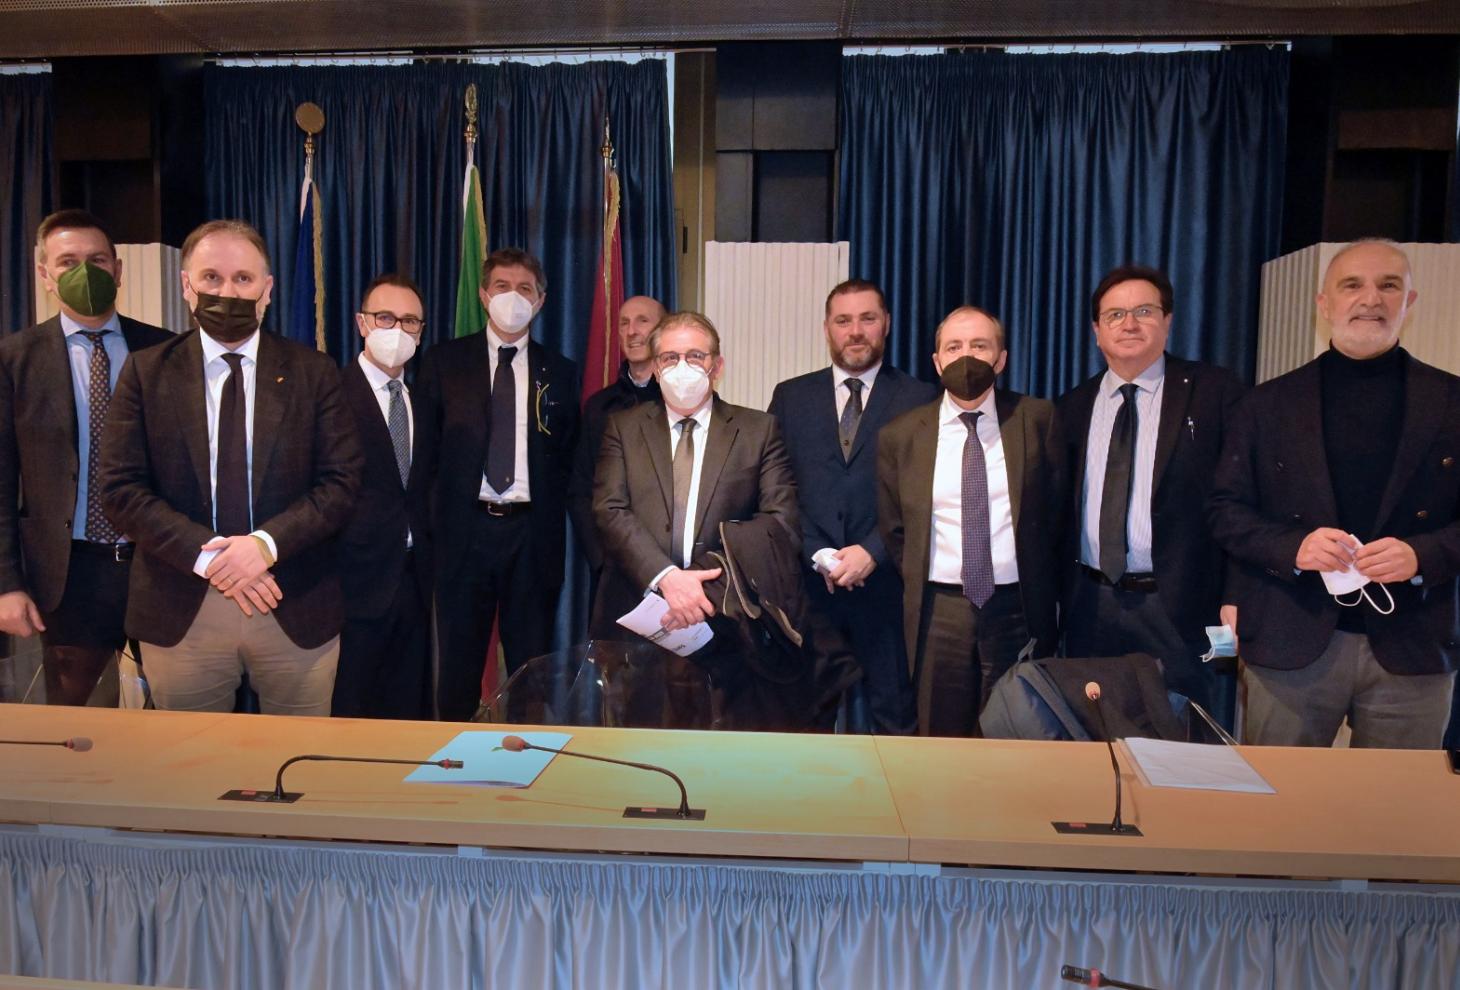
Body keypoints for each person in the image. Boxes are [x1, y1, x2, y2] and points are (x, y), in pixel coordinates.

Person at [98, 219, 361, 715]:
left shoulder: (315, 372)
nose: (227, 292)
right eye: (211, 278)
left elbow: (341, 483)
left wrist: (263, 546)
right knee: (190, 759)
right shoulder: (146, 372)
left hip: (292, 601)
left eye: (243, 278)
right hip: (182, 606)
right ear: (186, 285)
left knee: (298, 758)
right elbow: (121, 489)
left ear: (267, 289)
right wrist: (215, 560)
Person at [1209, 239, 1460, 748]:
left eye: (1388, 285)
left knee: (1394, 799)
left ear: (1409, 301)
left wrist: (1423, 554)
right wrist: (1293, 547)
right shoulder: (1264, 405)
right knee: (1279, 796)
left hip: (1415, 643)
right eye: (1352, 285)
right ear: (1324, 304)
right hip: (1289, 640)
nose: (1371, 299)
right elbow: (1224, 510)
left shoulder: (1454, 401)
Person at [1057, 265, 1244, 720]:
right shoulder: (1072, 406)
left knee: (1187, 734)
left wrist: (1237, 594)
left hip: (1182, 607)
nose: (1129, 324)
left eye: (1143, 311)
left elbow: (1242, 503)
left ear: (1168, 320)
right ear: (1096, 330)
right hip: (1091, 605)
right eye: (1115, 315)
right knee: (1095, 732)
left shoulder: (1215, 392)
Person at [0, 209, 171, 706]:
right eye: (68, 262)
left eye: (96, 260)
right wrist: (7, 583)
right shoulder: (14, 359)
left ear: (118, 270)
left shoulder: (164, 351)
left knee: (176, 715)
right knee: (77, 721)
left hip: (157, 568)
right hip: (68, 573)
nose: (84, 272)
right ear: (45, 274)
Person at [877, 306, 1064, 736]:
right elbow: (896, 529)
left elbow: (1056, 516)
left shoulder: (1038, 419)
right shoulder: (900, 436)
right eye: (954, 347)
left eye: (980, 346)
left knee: (1017, 735)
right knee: (942, 741)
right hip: (939, 612)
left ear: (1001, 358)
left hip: (1018, 609)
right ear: (937, 361)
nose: (966, 357)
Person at [416, 247, 579, 721]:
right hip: (464, 533)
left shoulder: (561, 372)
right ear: (484, 295)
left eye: (525, 289)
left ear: (541, 301)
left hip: (531, 536)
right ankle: (454, 754)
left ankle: (526, 752)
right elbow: (425, 458)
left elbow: (569, 460)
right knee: (458, 666)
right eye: (502, 287)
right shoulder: (444, 362)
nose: (513, 297)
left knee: (531, 668)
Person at [768, 279, 937, 734]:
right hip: (811, 589)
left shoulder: (922, 399)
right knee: (806, 722)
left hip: (888, 590)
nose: (855, 331)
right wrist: (817, 552)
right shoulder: (790, 397)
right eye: (843, 320)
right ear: (827, 328)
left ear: (887, 324)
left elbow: (925, 495)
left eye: (867, 318)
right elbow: (776, 489)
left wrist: (873, 551)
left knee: (897, 720)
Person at [591, 310, 798, 638]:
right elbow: (610, 509)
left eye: (695, 356)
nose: (682, 367)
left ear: (717, 366)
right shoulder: (623, 427)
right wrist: (666, 577)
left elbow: (780, 523)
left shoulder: (758, 430)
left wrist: (703, 588)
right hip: (636, 610)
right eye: (670, 358)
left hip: (725, 615)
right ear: (656, 369)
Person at [332, 273, 432, 720]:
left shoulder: (424, 398)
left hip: (415, 580)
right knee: (351, 712)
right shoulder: (330, 394)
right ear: (362, 323)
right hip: (351, 584)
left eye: (409, 321)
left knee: (408, 712)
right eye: (385, 317)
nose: (398, 330)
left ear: (420, 332)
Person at [568, 294, 665, 584]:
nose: (632, 331)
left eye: (642, 321)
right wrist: (600, 559)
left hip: (672, 565)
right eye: (624, 323)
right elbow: (581, 488)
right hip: (612, 568)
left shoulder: (683, 403)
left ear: (663, 330)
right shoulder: (599, 406)